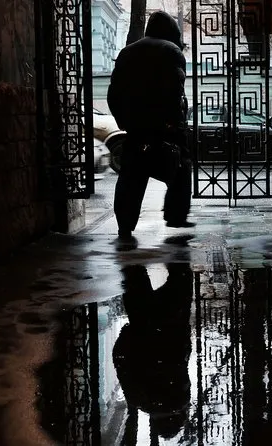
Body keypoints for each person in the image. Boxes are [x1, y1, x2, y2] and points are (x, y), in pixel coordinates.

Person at [108, 11, 195, 239]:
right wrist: (174, 123)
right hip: (163, 127)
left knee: (131, 175)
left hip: (135, 127)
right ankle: (176, 216)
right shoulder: (171, 51)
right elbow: (174, 91)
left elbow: (113, 93)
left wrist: (124, 121)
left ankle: (124, 225)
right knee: (180, 165)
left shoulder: (127, 52)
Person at [112, 262, 194, 443]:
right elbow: (121, 361)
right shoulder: (138, 399)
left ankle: (177, 243)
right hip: (142, 326)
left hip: (172, 326)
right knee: (134, 272)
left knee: (180, 271)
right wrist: (127, 334)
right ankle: (126, 240)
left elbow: (182, 360)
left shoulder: (182, 398)